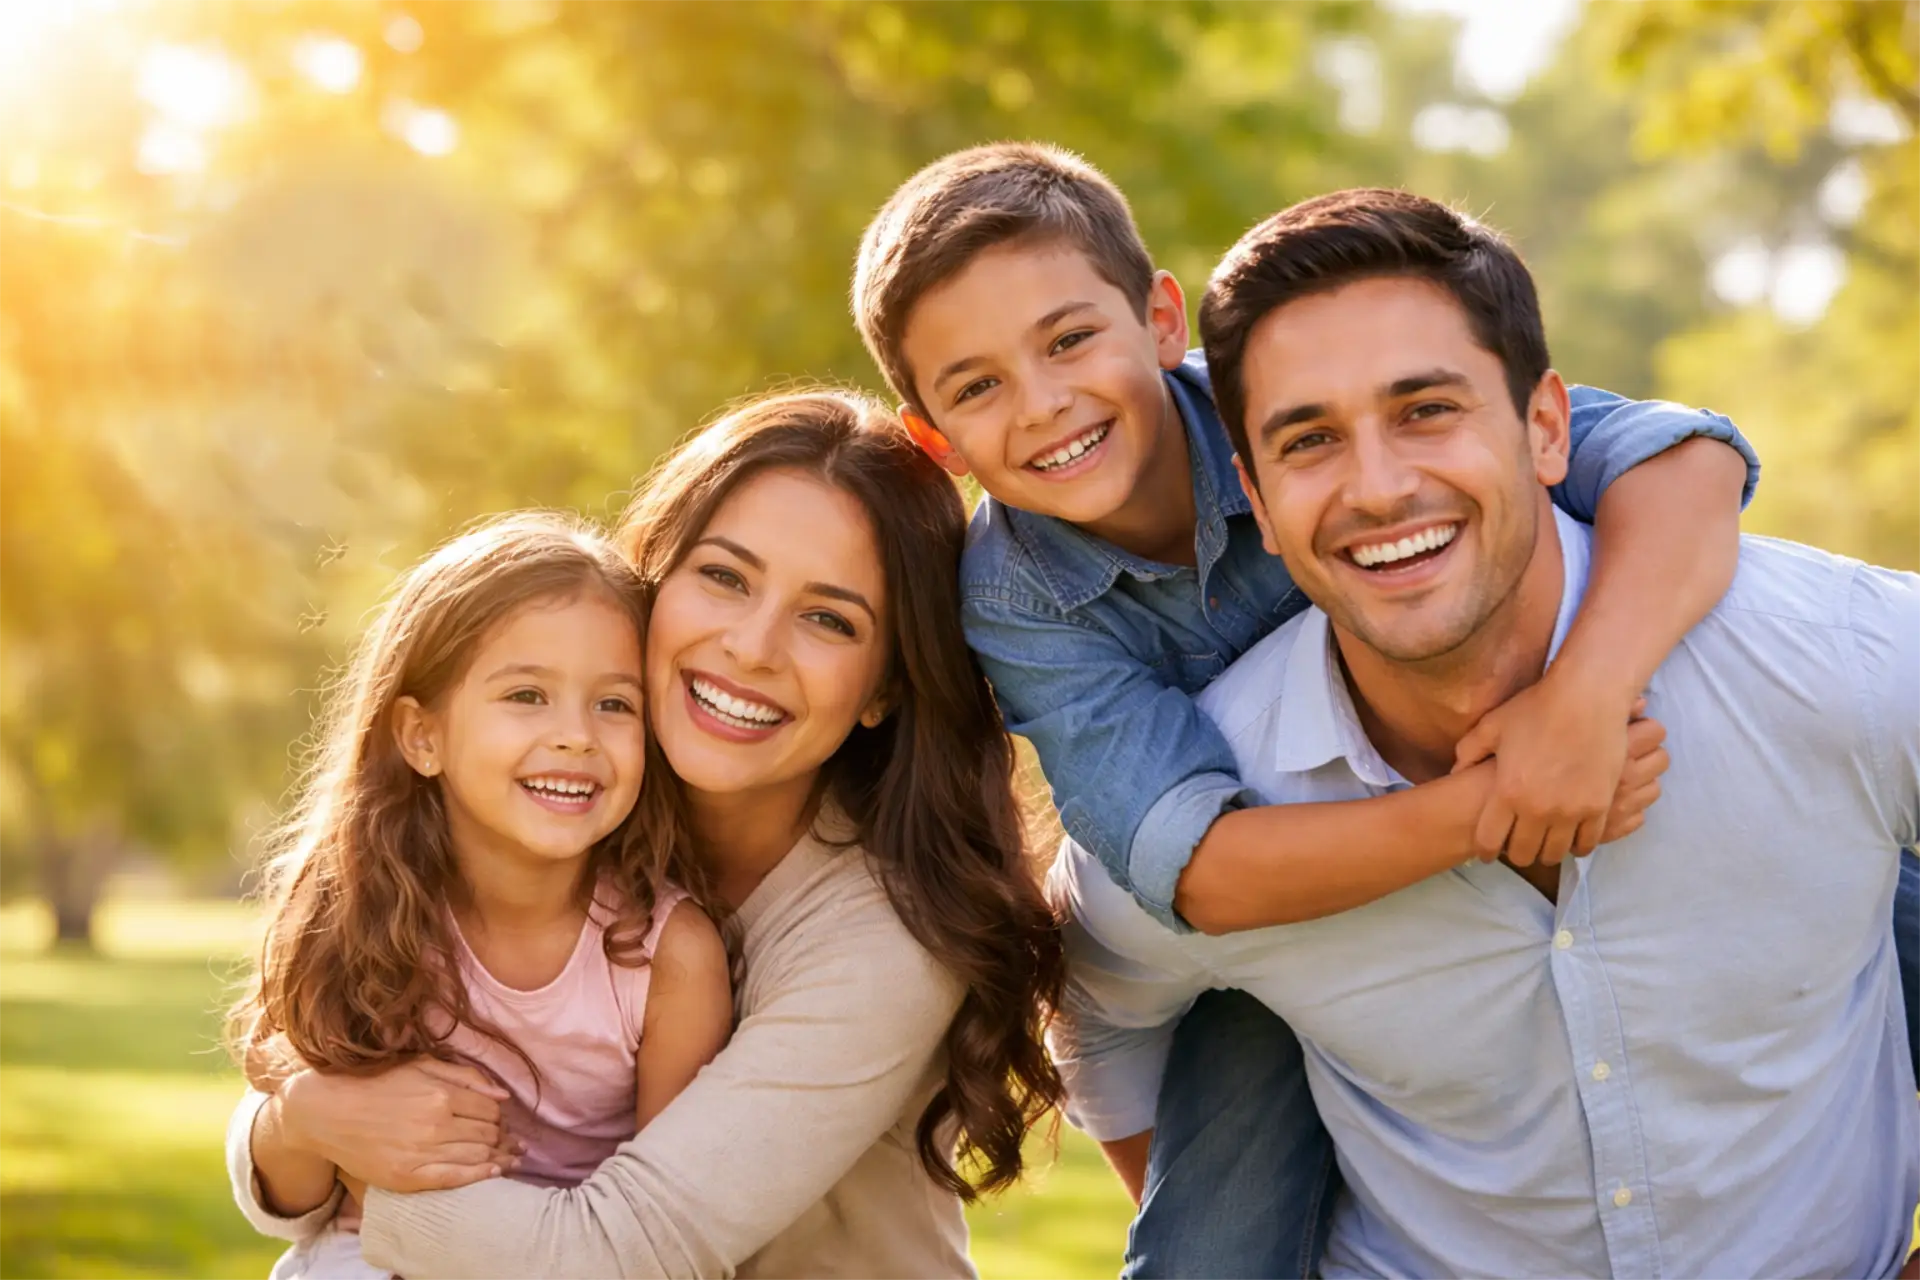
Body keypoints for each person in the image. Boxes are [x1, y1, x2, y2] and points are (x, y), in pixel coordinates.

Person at [851, 140, 1764, 1274]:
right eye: (978, 386)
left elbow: (1686, 461)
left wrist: (1584, 698)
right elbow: (1199, 870)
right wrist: (1495, 802)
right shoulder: (1014, 594)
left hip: (1571, 780)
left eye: (1070, 338)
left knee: (1862, 880)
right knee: (1215, 1226)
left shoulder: (1307, 406)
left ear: (1160, 318)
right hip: (1293, 916)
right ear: (935, 438)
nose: (1043, 405)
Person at [1052, 186, 1920, 1277]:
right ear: (1258, 505)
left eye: (1426, 410)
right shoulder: (1217, 800)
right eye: (1310, 439)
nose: (1379, 486)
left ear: (1547, 426)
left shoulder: (1828, 655)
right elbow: (1097, 1007)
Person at [227, 391, 1062, 1278]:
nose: (751, 647)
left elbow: (624, 1254)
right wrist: (303, 1117)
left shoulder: (884, 937)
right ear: (652, 588)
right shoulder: (565, 802)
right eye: (725, 577)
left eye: (828, 619)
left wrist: (357, 1172)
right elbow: (303, 1074)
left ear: (885, 689)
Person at [225, 512, 734, 1278]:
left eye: (614, 704)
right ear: (422, 736)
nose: (576, 736)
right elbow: (299, 1199)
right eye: (527, 695)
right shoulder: (362, 906)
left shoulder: (669, 957)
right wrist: (308, 1121)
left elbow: (667, 1233)